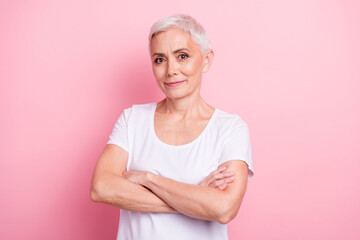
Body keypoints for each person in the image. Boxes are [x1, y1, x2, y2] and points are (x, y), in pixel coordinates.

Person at [90, 13, 254, 240]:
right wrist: (197, 200)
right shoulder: (132, 119)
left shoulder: (230, 129)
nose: (170, 70)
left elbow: (224, 208)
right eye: (160, 59)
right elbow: (101, 187)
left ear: (206, 60)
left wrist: (148, 179)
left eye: (182, 56)